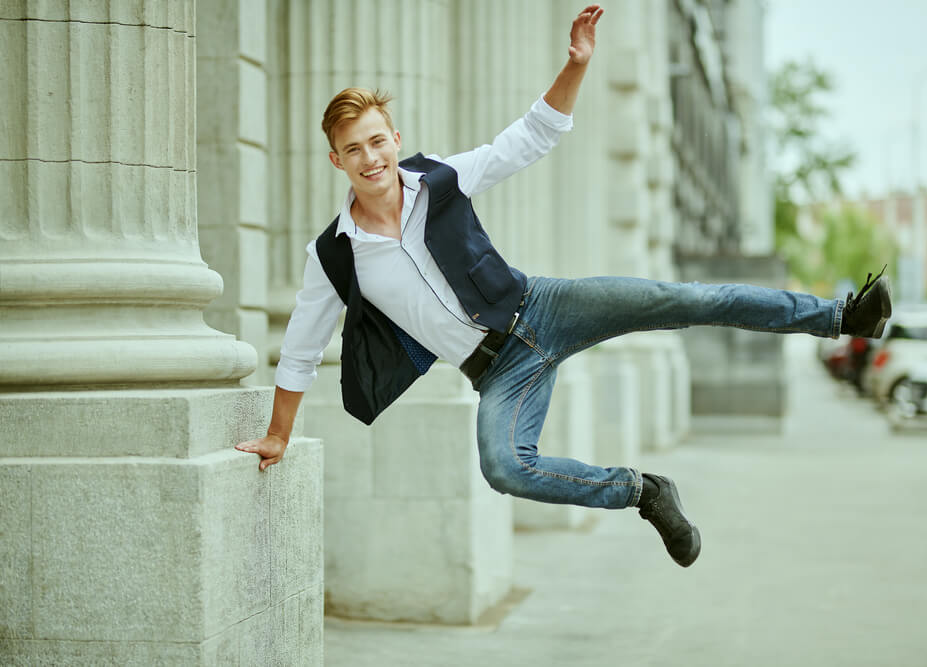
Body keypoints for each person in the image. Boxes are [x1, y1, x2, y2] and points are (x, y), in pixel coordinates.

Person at [236, 4, 892, 568]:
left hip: (545, 307)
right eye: (355, 149)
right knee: (505, 466)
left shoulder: (437, 178)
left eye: (378, 142)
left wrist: (576, 63)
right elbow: (300, 346)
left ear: (395, 139)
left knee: (685, 299)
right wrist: (279, 433)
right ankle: (645, 491)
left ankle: (842, 315)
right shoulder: (332, 255)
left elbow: (528, 139)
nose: (371, 158)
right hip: (497, 373)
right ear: (337, 160)